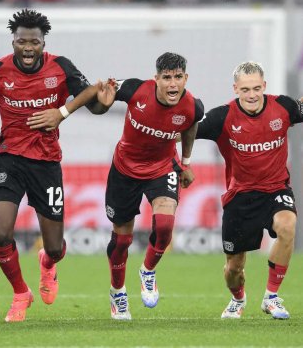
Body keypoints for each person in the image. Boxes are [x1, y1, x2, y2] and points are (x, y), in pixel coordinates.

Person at [0, 9, 104, 322]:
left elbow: (93, 100)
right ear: (12, 41)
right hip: (9, 159)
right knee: (1, 234)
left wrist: (63, 112)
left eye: (35, 42)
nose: (28, 47)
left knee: (55, 247)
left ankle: (47, 263)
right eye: (21, 41)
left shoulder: (61, 67)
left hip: (46, 163)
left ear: (44, 43)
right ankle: (19, 293)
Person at [87, 52, 203, 320]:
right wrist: (102, 104)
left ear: (185, 78)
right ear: (156, 79)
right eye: (166, 78)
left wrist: (185, 162)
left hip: (162, 169)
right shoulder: (135, 89)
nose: (172, 84)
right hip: (125, 169)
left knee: (164, 227)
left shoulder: (193, 106)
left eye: (177, 77)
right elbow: (102, 93)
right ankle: (118, 293)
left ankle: (147, 272)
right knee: (122, 239)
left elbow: (191, 126)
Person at [195, 61, 300, 319]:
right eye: (245, 89)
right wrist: (179, 161)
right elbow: (182, 133)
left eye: (256, 88)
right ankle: (237, 298)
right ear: (235, 89)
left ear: (264, 86)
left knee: (287, 225)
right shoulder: (222, 117)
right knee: (234, 268)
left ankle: (271, 297)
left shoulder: (283, 107)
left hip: (276, 189)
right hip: (240, 197)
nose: (252, 95)